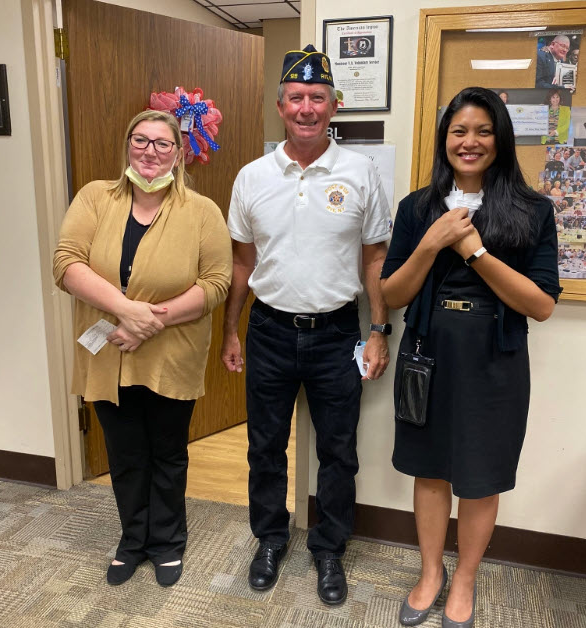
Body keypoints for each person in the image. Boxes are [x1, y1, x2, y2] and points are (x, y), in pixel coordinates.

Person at [380, 87, 561, 627]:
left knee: (480, 477)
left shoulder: (533, 210)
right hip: (426, 353)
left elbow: (542, 304)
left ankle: (465, 579)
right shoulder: (417, 207)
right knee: (430, 471)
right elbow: (391, 294)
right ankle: (431, 571)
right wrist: (431, 243)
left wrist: (474, 251)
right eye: (459, 131)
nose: (470, 141)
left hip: (495, 360)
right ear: (444, 140)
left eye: (483, 130)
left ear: (499, 139)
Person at [221, 45, 391, 606]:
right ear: (281, 106)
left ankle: (328, 549)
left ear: (334, 105)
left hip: (337, 333)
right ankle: (270, 538)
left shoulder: (361, 173)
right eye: (297, 97)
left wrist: (378, 329)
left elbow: (374, 260)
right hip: (268, 331)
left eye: (318, 97)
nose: (307, 107)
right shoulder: (251, 177)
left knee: (339, 450)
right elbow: (242, 263)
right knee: (264, 446)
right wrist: (230, 331)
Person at [53, 110, 232, 587]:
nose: (150, 152)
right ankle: (133, 540)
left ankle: (168, 541)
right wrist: (125, 311)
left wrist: (147, 323)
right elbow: (66, 263)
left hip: (171, 354)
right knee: (126, 453)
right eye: (141, 140)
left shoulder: (201, 211)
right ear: (127, 145)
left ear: (180, 153)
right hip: (108, 355)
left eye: (162, 143)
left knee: (168, 453)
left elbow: (217, 283)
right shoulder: (95, 198)